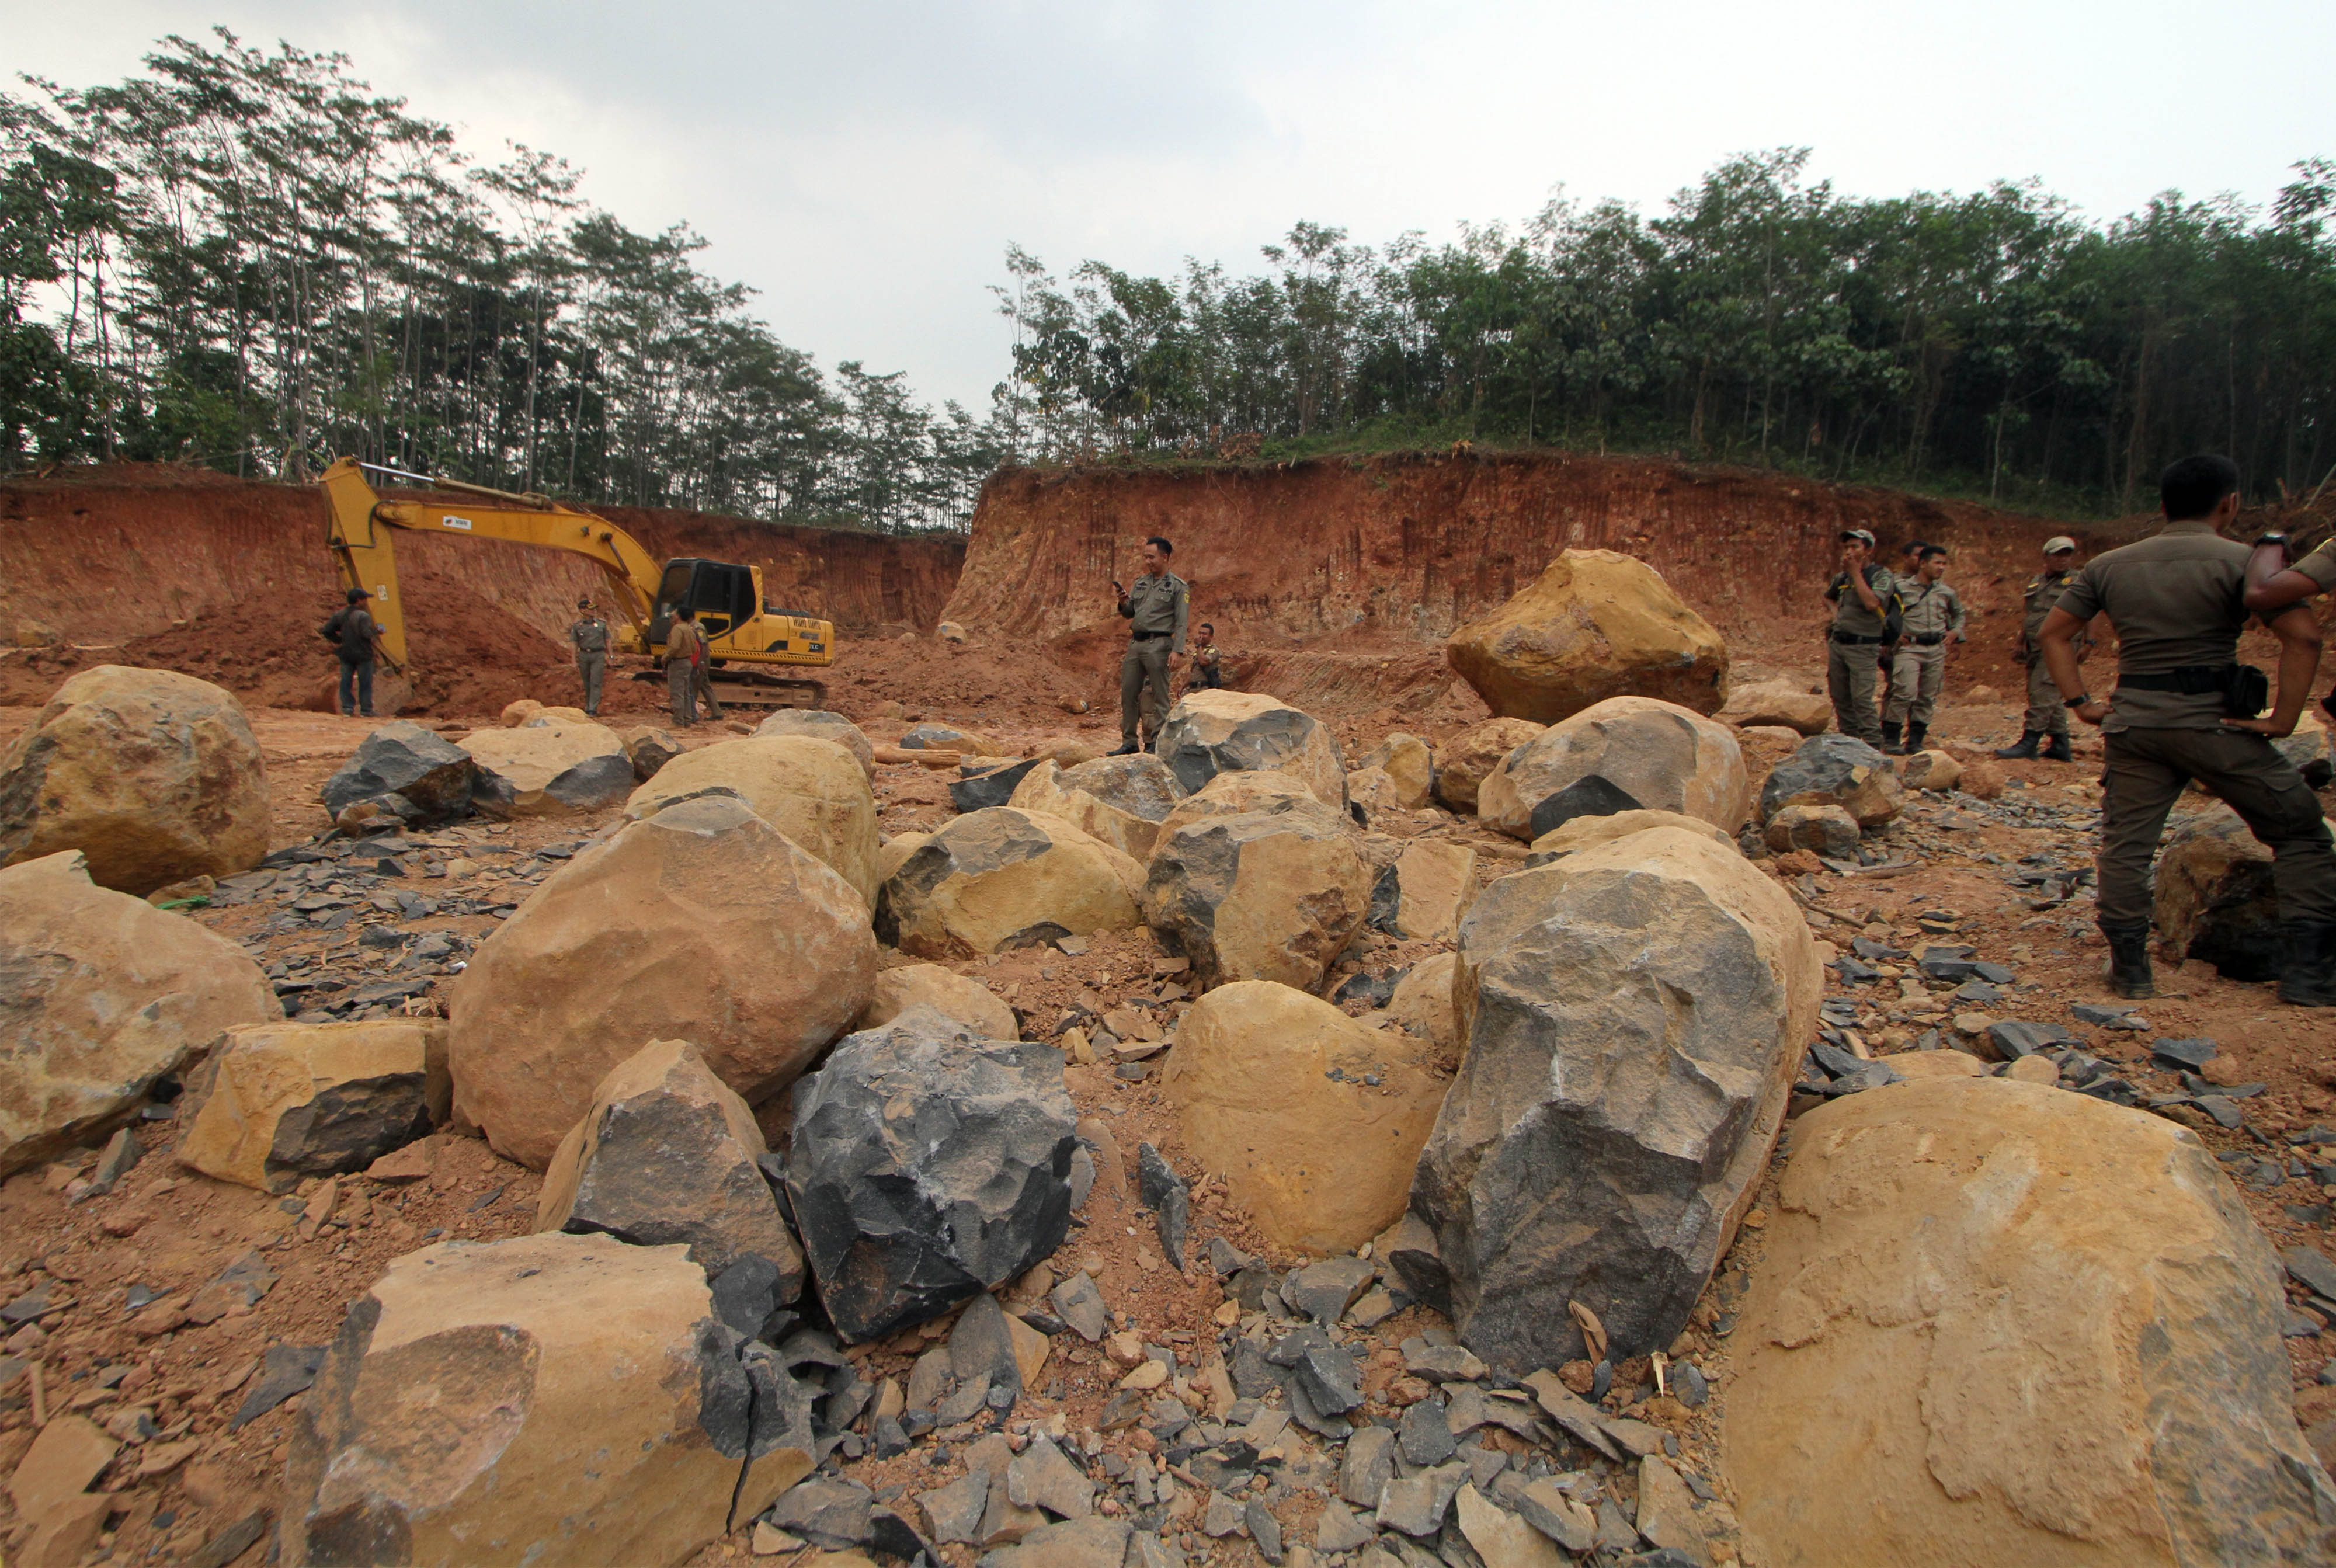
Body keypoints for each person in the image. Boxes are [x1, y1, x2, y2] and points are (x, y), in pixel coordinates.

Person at [2037, 453, 2336, 1005]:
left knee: (2126, 848)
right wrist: (2284, 719)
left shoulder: (2110, 565)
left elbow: (2055, 634)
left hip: (2135, 725)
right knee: (2300, 832)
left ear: (2162, 505)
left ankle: (2130, 970)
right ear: (2231, 504)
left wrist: (2080, 701)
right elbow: (2306, 638)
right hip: (2213, 725)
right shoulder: (2247, 563)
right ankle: (2309, 978)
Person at [1997, 536, 2084, 760]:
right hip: (2036, 646)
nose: (2063, 560)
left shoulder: (2078, 581)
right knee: (2044, 692)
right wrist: (2020, 642)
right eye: (2057, 555)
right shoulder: (2037, 582)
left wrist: (2090, 643)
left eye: (2067, 555)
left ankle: (2030, 742)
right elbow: (2031, 616)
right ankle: (2060, 744)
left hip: (2062, 646)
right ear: (2045, 557)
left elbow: (2091, 614)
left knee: (2044, 691)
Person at [1881, 545, 1966, 754]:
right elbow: (1881, 612)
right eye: (1937, 563)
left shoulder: (1946, 592)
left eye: (1944, 564)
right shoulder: (1900, 587)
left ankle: (1916, 740)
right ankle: (1891, 739)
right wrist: (1892, 636)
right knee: (1904, 691)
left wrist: (1955, 633)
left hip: (1936, 648)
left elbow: (1959, 614)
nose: (1942, 568)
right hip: (1909, 647)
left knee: (1928, 696)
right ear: (1923, 564)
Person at [1111, 535, 1190, 756]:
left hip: (1160, 644)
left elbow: (1182, 622)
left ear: (1165, 557)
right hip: (1136, 644)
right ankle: (1129, 742)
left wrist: (1178, 650)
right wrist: (1123, 602)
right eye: (1146, 557)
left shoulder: (1178, 587)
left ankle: (1157, 742)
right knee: (1129, 692)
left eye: (1152, 557)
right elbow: (1130, 614)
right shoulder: (1141, 582)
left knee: (1159, 696)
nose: (1148, 561)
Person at [1822, 528, 1896, 746]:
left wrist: (1856, 573)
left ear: (1869, 550)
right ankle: (1850, 743)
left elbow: (1872, 603)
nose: (1849, 552)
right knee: (1840, 697)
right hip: (1839, 644)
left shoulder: (1881, 576)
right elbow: (1829, 598)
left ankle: (1874, 746)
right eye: (1846, 548)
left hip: (1864, 647)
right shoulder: (1842, 577)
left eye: (1855, 547)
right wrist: (1836, 616)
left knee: (1862, 700)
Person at [321, 587, 383, 718]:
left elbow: (326, 631)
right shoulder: (363, 616)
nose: (366, 602)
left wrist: (339, 640)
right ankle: (366, 710)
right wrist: (377, 632)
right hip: (363, 654)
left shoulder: (340, 614)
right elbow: (366, 634)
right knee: (365, 682)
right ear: (359, 600)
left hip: (346, 653)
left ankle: (347, 709)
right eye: (365, 599)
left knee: (346, 681)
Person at [569, 597, 610, 717]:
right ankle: (588, 706)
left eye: (594, 609)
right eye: (590, 609)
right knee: (586, 682)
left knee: (596, 682)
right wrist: (573, 660)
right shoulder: (578, 626)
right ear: (582, 610)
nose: (594, 611)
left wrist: (610, 655)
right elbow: (574, 643)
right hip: (584, 655)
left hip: (598, 655)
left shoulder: (601, 624)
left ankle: (593, 708)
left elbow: (608, 640)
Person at [666, 604, 703, 728]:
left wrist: (665, 657)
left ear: (679, 616)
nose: (673, 615)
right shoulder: (690, 629)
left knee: (677, 692)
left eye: (675, 613)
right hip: (687, 662)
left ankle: (678, 721)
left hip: (677, 662)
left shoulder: (677, 629)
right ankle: (687, 719)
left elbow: (674, 647)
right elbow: (694, 648)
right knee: (686, 692)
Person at [1187, 622, 1226, 692]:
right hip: (1193, 689)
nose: (1201, 636)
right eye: (1200, 633)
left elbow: (1204, 662)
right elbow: (1193, 672)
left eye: (1204, 634)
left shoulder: (1214, 650)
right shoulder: (1199, 651)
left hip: (1204, 689)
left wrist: (1198, 645)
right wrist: (1182, 687)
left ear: (1211, 636)